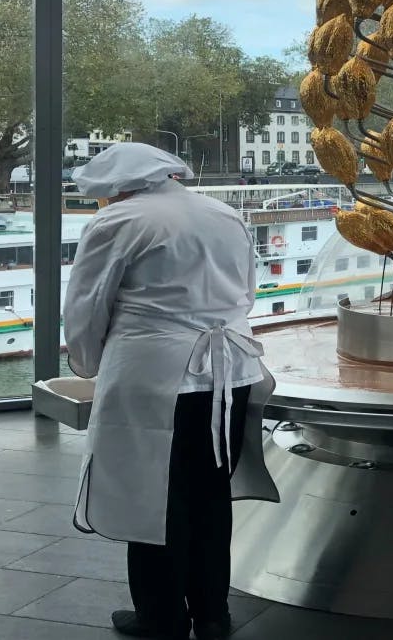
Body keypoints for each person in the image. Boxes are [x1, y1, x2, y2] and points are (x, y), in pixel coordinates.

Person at [64, 143, 278, 640]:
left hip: (155, 374)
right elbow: (245, 292)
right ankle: (212, 612)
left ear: (116, 187)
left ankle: (160, 617)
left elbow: (87, 306)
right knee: (209, 495)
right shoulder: (225, 213)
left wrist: (87, 362)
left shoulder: (117, 222)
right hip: (232, 372)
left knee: (152, 498)